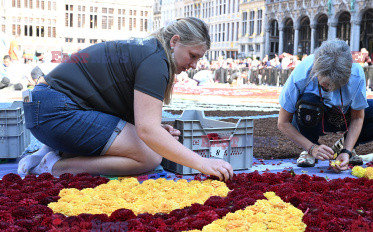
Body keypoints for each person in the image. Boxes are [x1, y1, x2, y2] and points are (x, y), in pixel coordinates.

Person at [18, 17, 234, 181]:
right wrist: (202, 163)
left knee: (149, 145)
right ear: (175, 42)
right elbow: (147, 131)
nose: (194, 65)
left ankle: (54, 151)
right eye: (193, 56)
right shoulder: (156, 61)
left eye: (199, 58)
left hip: (46, 110)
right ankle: (53, 167)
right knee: (149, 157)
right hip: (55, 112)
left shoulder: (149, 50)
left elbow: (142, 123)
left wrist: (155, 131)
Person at [278, 39, 373, 171]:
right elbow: (283, 122)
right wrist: (311, 147)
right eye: (325, 85)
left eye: (336, 86)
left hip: (344, 116)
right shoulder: (302, 73)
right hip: (312, 118)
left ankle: (345, 143)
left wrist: (347, 151)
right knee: (308, 103)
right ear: (316, 70)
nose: (330, 89)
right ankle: (309, 148)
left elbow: (357, 117)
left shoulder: (355, 73)